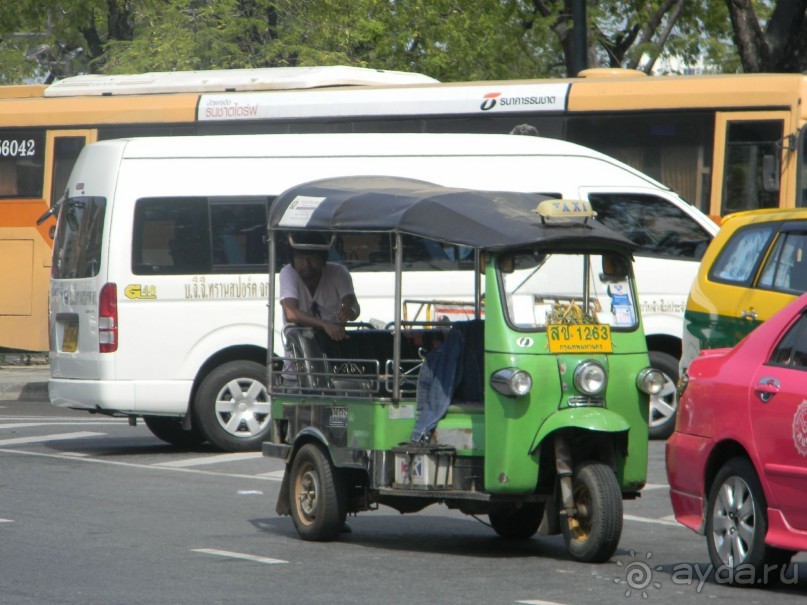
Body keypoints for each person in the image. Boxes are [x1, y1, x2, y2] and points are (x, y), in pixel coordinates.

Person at [279, 231, 360, 341]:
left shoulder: (339, 272)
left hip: (333, 343)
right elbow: (291, 313)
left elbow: (353, 304)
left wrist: (350, 311)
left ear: (323, 259)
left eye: (313, 258)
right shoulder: (287, 272)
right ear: (292, 260)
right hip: (300, 347)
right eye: (300, 258)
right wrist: (325, 325)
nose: (307, 264)